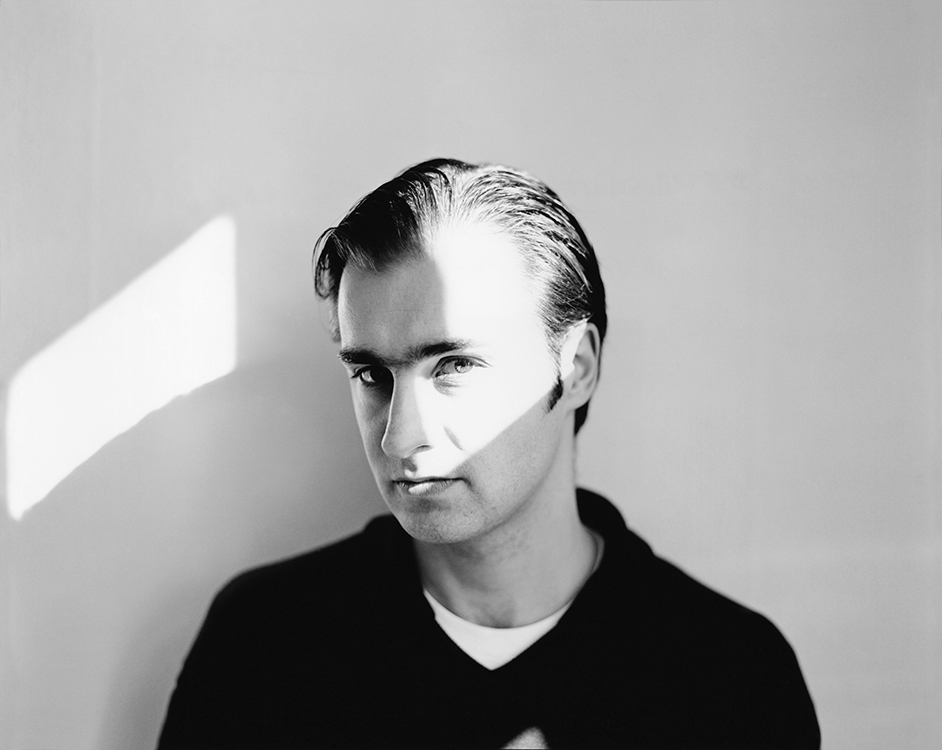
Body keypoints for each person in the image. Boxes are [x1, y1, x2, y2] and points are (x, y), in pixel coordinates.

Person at [157, 159, 820, 749]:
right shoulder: (264, 645)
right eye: (371, 375)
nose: (399, 438)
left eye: (455, 365)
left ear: (576, 367)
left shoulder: (730, 677)